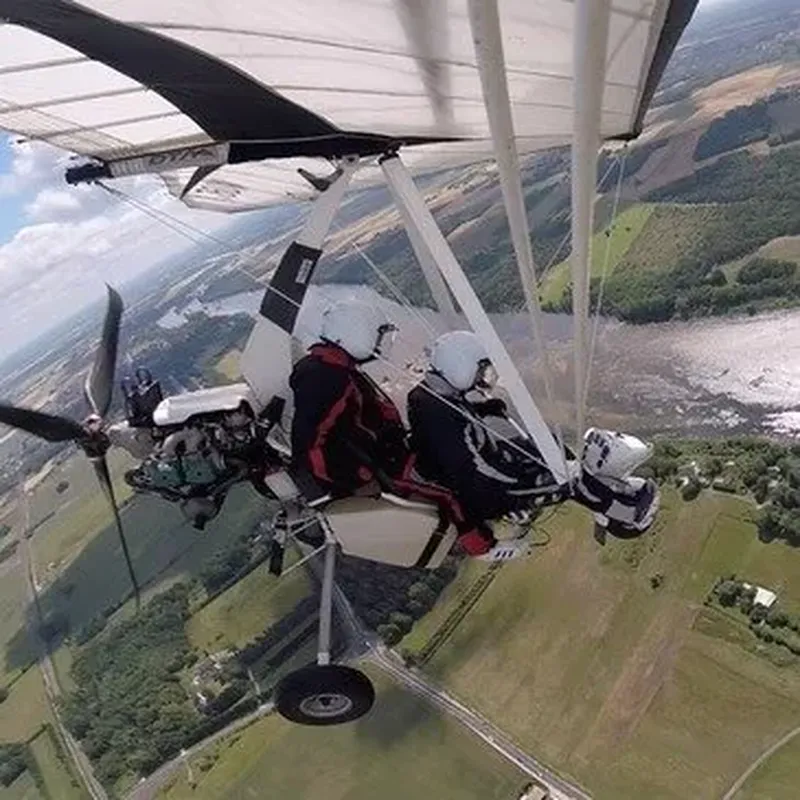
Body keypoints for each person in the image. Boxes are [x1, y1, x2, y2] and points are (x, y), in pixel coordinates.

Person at [407, 330, 659, 558]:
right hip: (484, 491)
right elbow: (476, 472)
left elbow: (454, 428)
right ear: (460, 367)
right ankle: (626, 514)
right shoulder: (438, 415)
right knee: (568, 482)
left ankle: (592, 488)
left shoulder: (429, 395)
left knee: (550, 447)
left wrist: (482, 409)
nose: (483, 377)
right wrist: (525, 484)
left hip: (479, 468)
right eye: (480, 370)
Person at [289, 302, 496, 557]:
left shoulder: (334, 368)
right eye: (378, 335)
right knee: (450, 493)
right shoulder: (327, 379)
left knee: (446, 460)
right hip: (383, 464)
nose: (380, 344)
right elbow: (308, 445)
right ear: (356, 333)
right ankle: (482, 547)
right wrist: (359, 478)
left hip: (388, 451)